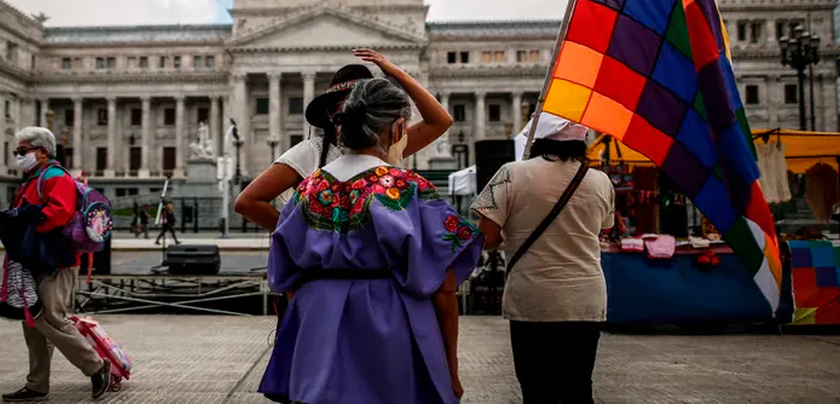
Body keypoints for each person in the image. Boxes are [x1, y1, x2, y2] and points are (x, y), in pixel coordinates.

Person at [259, 78, 482, 404]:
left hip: (316, 324)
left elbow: (286, 274)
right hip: (390, 322)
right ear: (397, 130)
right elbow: (445, 286)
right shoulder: (408, 188)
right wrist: (449, 365)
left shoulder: (308, 189)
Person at [471, 113, 615, 404]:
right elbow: (604, 229)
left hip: (532, 297)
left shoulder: (510, 173)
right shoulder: (600, 181)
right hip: (585, 298)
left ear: (537, 139)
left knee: (536, 389)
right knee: (578, 385)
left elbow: (487, 238)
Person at [235, 48, 453, 232]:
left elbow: (440, 121)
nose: (354, 108)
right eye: (348, 102)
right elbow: (248, 202)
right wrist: (300, 236)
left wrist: (398, 73)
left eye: (362, 102)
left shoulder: (386, 146)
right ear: (332, 113)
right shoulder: (311, 151)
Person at [1, 126, 112, 402]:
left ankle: (97, 366)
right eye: (17, 151)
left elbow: (59, 214)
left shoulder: (54, 176)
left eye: (22, 151)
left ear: (41, 152)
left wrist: (24, 221)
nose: (18, 156)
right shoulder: (32, 179)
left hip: (56, 260)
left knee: (52, 318)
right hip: (34, 259)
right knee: (31, 322)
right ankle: (37, 384)